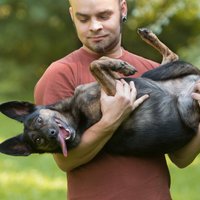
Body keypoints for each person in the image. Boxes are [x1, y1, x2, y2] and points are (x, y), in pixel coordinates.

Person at [34, 0, 200, 199]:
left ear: (122, 9)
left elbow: (181, 157)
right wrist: (110, 121)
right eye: (83, 18)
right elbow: (66, 161)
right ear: (72, 16)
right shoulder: (62, 73)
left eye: (103, 16)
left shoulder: (150, 69)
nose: (95, 26)